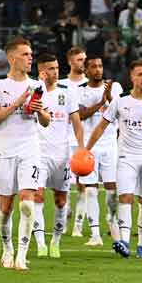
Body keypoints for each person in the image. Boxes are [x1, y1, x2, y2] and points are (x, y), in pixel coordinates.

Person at [0, 36, 50, 271]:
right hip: (4, 151)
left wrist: (40, 111)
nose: (30, 58)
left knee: (27, 204)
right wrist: (17, 103)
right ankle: (8, 249)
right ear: (12, 58)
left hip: (30, 150)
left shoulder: (37, 86)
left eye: (31, 54)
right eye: (25, 54)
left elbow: (46, 121)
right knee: (5, 209)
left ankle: (22, 255)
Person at [84, 61, 142, 259]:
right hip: (126, 157)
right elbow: (101, 126)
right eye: (140, 74)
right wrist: (86, 149)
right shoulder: (120, 100)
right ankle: (125, 242)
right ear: (132, 77)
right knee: (125, 197)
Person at [32, 53, 82, 258]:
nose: (56, 72)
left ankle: (55, 242)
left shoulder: (67, 92)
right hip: (38, 154)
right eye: (51, 69)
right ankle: (40, 244)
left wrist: (81, 148)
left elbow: (77, 123)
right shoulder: (33, 91)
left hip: (62, 155)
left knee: (61, 201)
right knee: (37, 196)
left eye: (57, 68)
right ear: (42, 72)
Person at [73, 55, 122, 244]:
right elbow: (81, 115)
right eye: (93, 66)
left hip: (110, 144)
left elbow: (119, 111)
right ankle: (95, 235)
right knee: (91, 190)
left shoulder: (115, 87)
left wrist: (109, 97)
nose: (98, 69)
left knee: (111, 189)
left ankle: (113, 227)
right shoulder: (79, 90)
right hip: (90, 146)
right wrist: (101, 102)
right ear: (86, 70)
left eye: (100, 66)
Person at [62, 47, 88, 231]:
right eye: (79, 59)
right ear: (70, 61)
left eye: (84, 59)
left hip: (81, 141)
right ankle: (63, 222)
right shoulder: (60, 84)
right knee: (63, 185)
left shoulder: (91, 84)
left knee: (82, 184)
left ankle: (78, 227)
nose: (83, 63)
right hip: (62, 141)